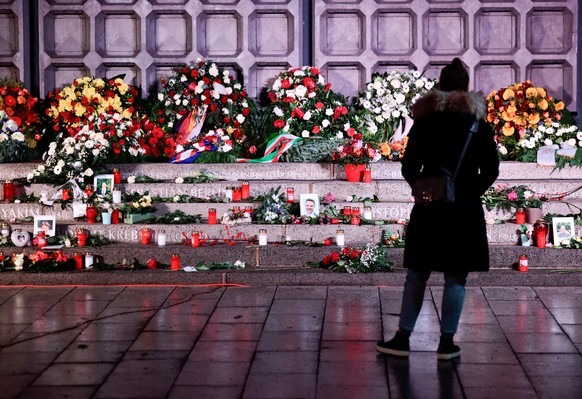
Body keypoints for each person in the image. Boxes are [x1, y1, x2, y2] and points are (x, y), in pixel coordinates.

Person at [375, 58, 500, 360]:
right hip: (464, 211)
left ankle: (403, 338)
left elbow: (408, 167)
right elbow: (492, 170)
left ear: (440, 86)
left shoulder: (426, 121)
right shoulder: (477, 124)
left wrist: (424, 188)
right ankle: (447, 343)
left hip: (430, 209)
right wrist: (470, 192)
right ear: (466, 87)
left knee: (417, 273)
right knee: (456, 276)